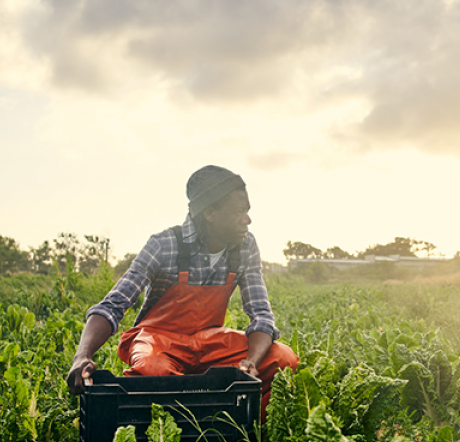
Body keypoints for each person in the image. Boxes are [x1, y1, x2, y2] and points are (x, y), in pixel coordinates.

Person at [65, 165, 298, 413]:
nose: (247, 220)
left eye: (247, 211)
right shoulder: (164, 245)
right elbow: (114, 304)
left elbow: (260, 314)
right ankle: (163, 431)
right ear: (210, 213)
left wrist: (251, 362)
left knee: (283, 360)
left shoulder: (245, 246)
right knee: (153, 370)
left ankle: (242, 435)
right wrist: (82, 355)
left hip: (210, 342)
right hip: (160, 340)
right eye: (238, 212)